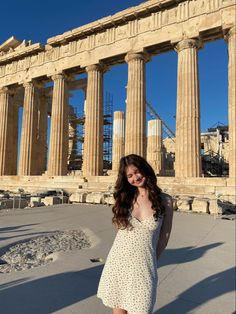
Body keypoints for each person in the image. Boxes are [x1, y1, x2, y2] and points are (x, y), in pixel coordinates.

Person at [97, 154, 173, 314]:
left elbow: (164, 237)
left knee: (142, 309)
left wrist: (152, 260)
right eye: (129, 176)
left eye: (137, 172)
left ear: (145, 170)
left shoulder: (165, 201)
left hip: (144, 266)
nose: (135, 178)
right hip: (118, 263)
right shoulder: (125, 198)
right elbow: (121, 232)